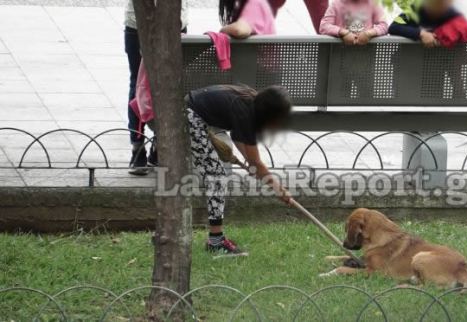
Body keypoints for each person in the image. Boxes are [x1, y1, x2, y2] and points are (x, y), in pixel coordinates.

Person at [186, 85, 293, 255]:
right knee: (216, 177)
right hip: (189, 116)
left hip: (191, 112)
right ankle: (216, 241)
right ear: (269, 113)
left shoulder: (249, 101)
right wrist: (278, 189)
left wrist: (251, 165)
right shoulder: (246, 113)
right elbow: (256, 161)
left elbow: (238, 137)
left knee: (216, 175)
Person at [124, 0, 188, 175]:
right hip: (160, 24)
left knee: (140, 84)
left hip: (158, 23)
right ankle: (152, 149)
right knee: (157, 85)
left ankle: (143, 151)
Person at [388, 0, 467, 48]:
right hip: (412, 61)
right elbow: (393, 27)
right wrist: (421, 34)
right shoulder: (417, 9)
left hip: (442, 63)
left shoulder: (453, 15)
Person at [319, 0, 388, 46]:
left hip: (366, 54)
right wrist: (343, 32)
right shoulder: (336, 3)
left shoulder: (373, 3)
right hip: (339, 53)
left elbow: (384, 25)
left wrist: (369, 34)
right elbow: (323, 26)